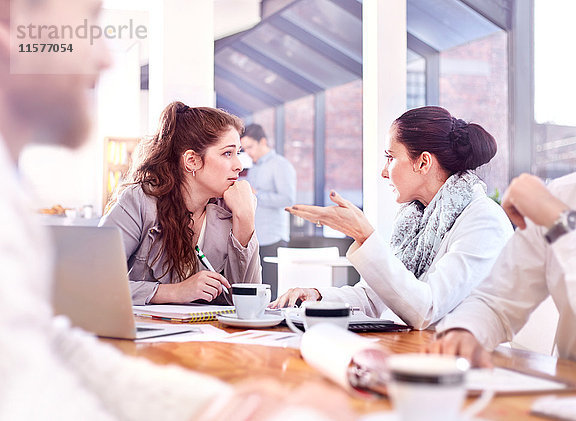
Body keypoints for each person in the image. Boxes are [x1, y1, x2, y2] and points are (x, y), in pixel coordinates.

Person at [0, 0, 342, 419]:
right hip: (148, 350)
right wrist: (170, 293)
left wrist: (246, 224)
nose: (107, 57)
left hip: (206, 355)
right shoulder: (136, 201)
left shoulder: (225, 210)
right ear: (192, 161)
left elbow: (245, 302)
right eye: (87, 24)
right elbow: (82, 300)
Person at [271, 106, 514, 329]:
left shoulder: (484, 220)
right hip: (421, 354)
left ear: (423, 162)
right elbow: (373, 298)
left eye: (390, 157)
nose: (383, 172)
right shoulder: (416, 219)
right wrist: (317, 295)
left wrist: (365, 236)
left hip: (467, 365)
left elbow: (425, 310)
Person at [426, 171, 576, 369]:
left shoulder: (552, 207)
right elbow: (497, 302)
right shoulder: (563, 195)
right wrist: (465, 331)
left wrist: (562, 222)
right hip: (571, 390)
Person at [100, 102, 261, 305]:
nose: (239, 166)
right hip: (144, 334)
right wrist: (174, 292)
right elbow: (94, 280)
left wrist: (245, 219)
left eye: (238, 153)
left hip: (209, 335)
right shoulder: (139, 200)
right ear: (192, 161)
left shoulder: (230, 209)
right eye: (227, 153)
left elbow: (249, 305)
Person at [241, 124, 296, 297]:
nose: (247, 152)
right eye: (244, 148)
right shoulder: (254, 167)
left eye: (250, 147)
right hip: (256, 238)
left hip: (273, 238)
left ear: (262, 142)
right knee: (257, 290)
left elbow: (288, 199)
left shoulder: (280, 165)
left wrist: (257, 194)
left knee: (271, 291)